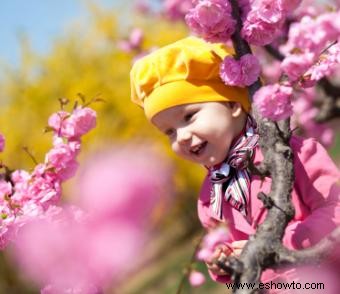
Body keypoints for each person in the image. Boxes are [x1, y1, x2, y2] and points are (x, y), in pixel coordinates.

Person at [130, 36, 340, 292]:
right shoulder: (211, 196)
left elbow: (335, 209)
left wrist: (278, 245)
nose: (182, 136)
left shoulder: (292, 152)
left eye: (189, 116)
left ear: (232, 105)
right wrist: (222, 261)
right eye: (169, 132)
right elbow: (227, 247)